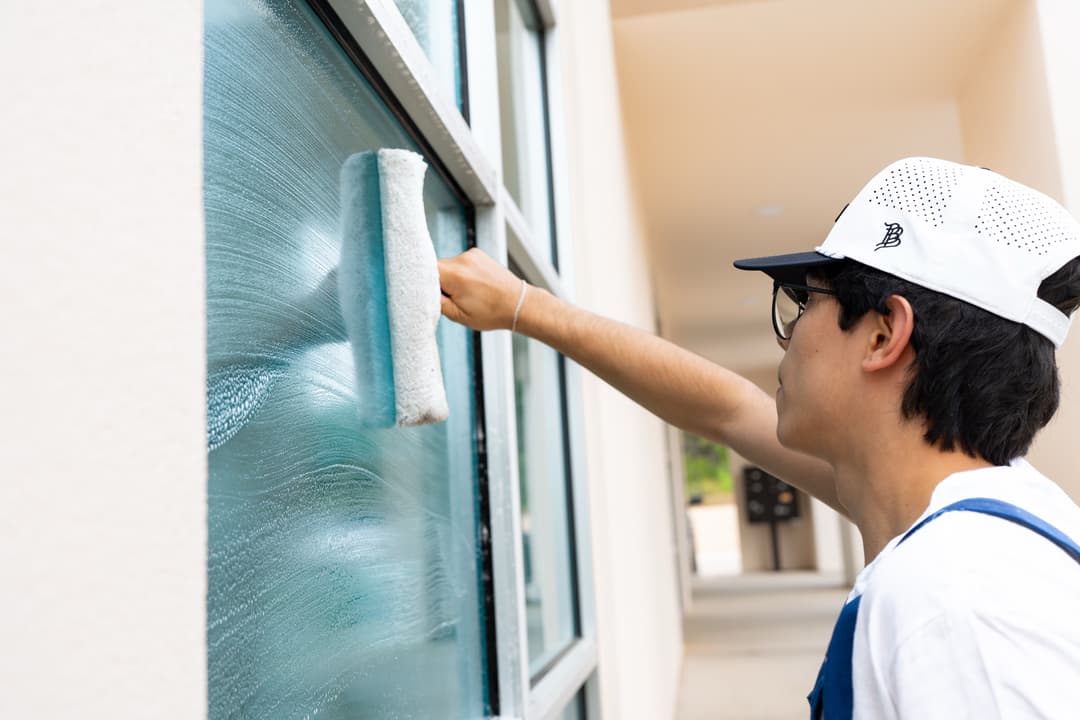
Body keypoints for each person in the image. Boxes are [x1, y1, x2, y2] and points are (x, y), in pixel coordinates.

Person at [437, 157, 1080, 718]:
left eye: (804, 302)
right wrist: (523, 307)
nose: (789, 336)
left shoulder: (956, 605)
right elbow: (727, 410)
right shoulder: (975, 516)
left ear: (883, 335)